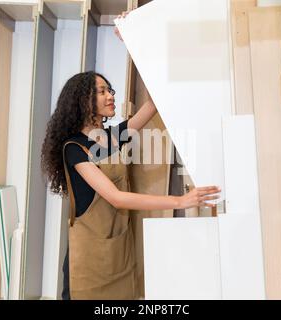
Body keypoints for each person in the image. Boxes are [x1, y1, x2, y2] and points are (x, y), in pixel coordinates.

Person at [40, 13, 221, 301]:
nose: (111, 95)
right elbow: (116, 197)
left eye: (109, 90)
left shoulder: (109, 138)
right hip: (87, 267)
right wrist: (180, 201)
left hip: (117, 258)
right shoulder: (74, 148)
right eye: (102, 91)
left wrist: (135, 42)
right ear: (82, 100)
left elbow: (152, 104)